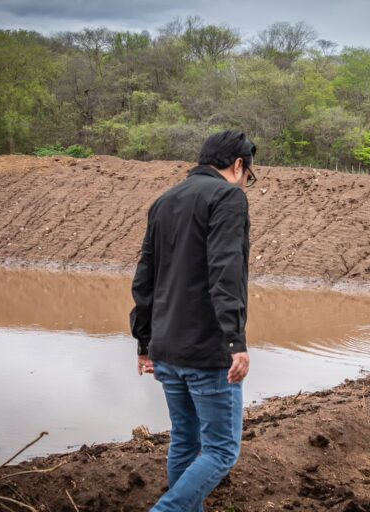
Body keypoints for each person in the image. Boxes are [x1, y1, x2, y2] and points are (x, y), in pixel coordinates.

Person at [130, 130, 256, 512]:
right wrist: (235, 342)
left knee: (185, 439)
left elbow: (145, 277)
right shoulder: (228, 197)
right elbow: (225, 272)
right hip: (206, 351)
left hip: (166, 349)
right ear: (238, 165)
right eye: (249, 173)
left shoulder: (164, 201)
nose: (247, 180)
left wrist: (144, 343)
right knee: (220, 451)